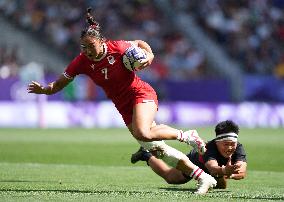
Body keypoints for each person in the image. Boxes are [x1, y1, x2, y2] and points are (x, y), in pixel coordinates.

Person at [27, 8, 216, 194]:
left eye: (90, 46)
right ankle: (203, 177)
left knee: (143, 132)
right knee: (160, 151)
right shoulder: (81, 61)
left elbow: (140, 43)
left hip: (140, 93)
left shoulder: (117, 47)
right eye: (83, 47)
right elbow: (59, 83)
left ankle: (188, 136)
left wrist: (149, 56)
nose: (87, 51)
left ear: (101, 42)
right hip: (123, 106)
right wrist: (45, 90)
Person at [131, 120, 247, 190]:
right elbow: (213, 169)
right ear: (217, 141)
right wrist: (225, 171)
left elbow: (242, 172)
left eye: (233, 144)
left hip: (219, 170)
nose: (230, 148)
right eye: (226, 144)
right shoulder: (209, 148)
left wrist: (231, 173)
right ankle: (146, 154)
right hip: (196, 161)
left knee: (222, 186)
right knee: (171, 178)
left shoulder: (239, 148)